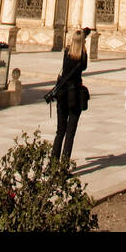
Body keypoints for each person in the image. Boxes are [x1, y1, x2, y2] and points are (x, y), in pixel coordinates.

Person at [51, 28, 88, 162]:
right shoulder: (82, 55)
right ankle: (64, 166)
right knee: (70, 134)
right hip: (75, 96)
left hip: (62, 95)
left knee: (60, 132)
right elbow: (84, 67)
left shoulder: (67, 52)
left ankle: (53, 164)